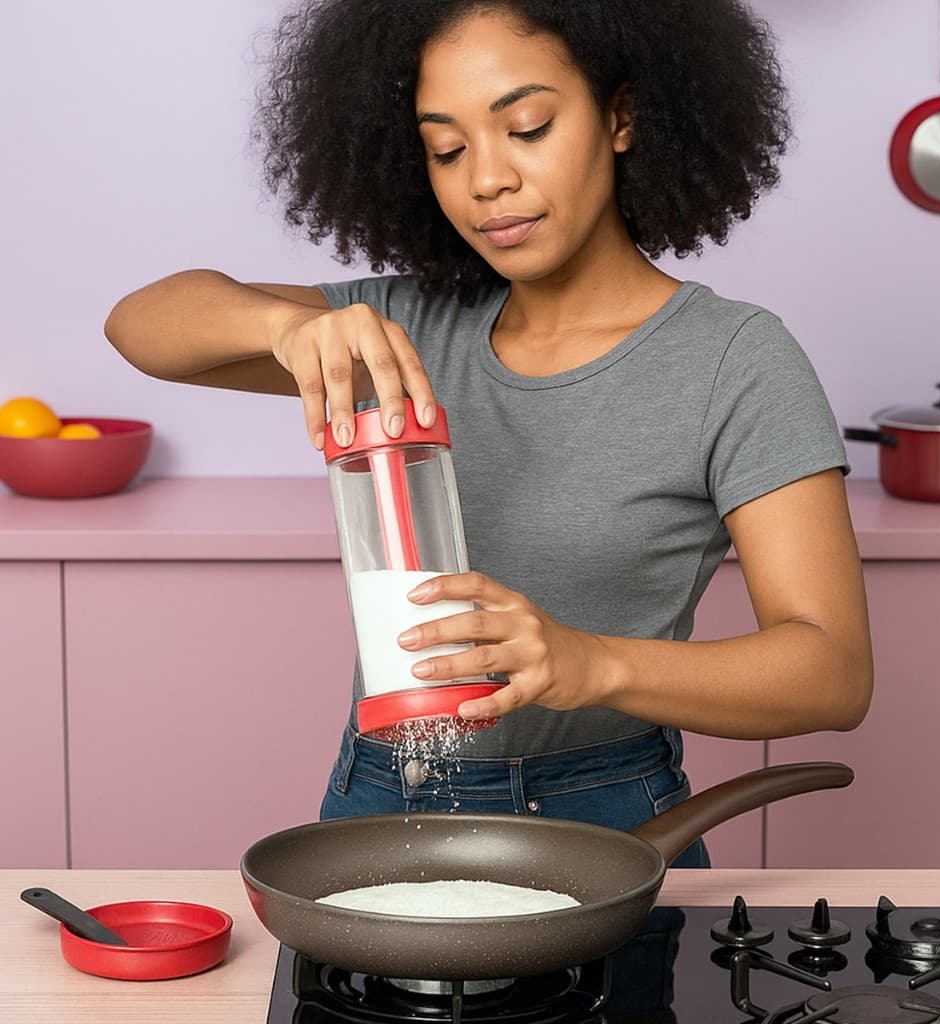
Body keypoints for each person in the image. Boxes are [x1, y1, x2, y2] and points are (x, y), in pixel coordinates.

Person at [104, 0, 873, 868]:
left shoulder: (733, 360)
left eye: (528, 127)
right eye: (447, 148)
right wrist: (282, 327)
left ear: (621, 116)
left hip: (609, 816)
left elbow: (831, 672)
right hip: (381, 791)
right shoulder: (399, 333)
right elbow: (140, 326)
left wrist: (590, 662)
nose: (486, 181)